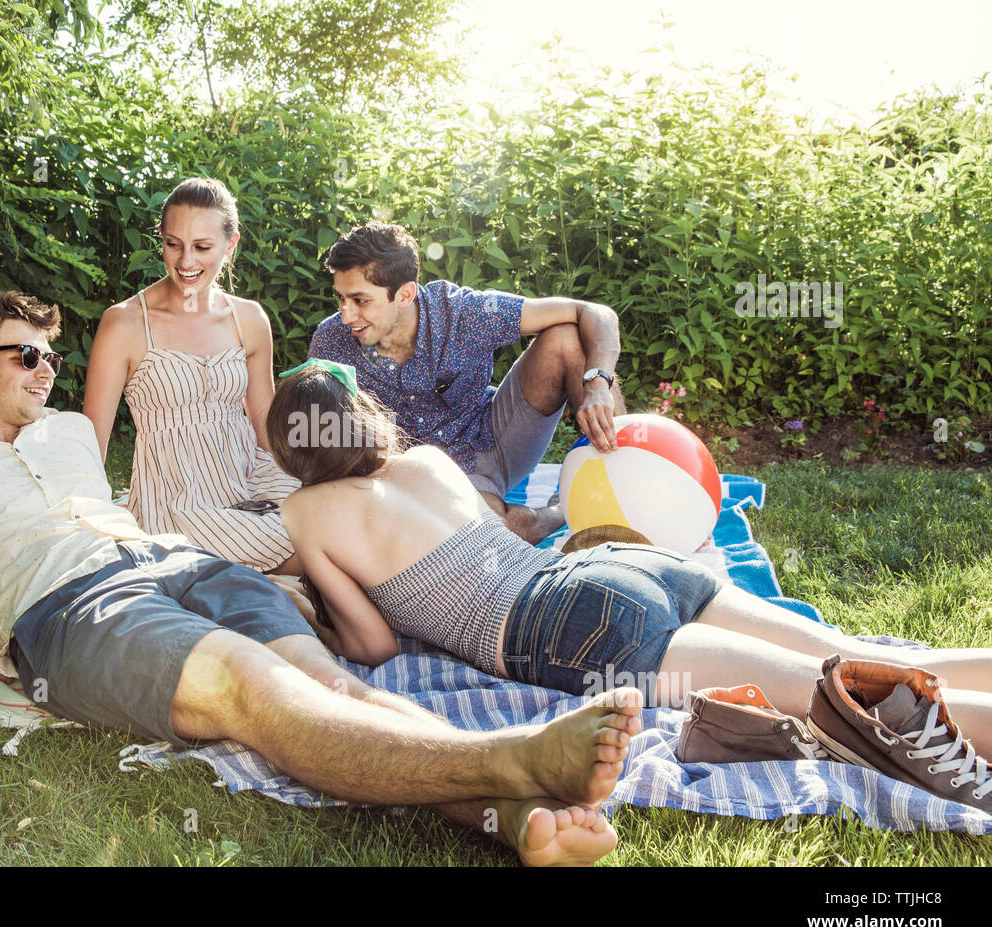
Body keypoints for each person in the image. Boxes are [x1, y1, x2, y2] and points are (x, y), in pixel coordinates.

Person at [0, 291, 647, 867]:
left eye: (52, 357)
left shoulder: (69, 431)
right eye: (26, 356)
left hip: (179, 562)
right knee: (251, 687)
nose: (47, 373)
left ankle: (510, 818)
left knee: (327, 682)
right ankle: (513, 760)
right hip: (73, 609)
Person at [266, 362, 992, 753]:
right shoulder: (426, 458)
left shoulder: (304, 511)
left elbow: (373, 644)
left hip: (573, 626)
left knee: (832, 693)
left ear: (292, 447)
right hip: (625, 567)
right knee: (852, 654)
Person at [308, 222, 626, 544]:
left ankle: (627, 475)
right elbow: (314, 435)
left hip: (495, 438)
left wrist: (597, 385)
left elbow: (594, 313)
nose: (346, 315)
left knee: (567, 338)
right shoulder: (331, 343)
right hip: (422, 480)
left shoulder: (463, 312)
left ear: (404, 294)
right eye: (341, 298)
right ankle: (554, 514)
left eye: (360, 301)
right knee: (487, 532)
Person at [83, 177, 301, 575]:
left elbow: (264, 417)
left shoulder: (248, 318)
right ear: (161, 239)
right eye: (173, 244)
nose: (186, 261)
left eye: (202, 247)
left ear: (230, 244)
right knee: (310, 553)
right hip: (177, 501)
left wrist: (302, 473)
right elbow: (92, 445)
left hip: (250, 476)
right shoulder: (125, 324)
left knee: (337, 517)